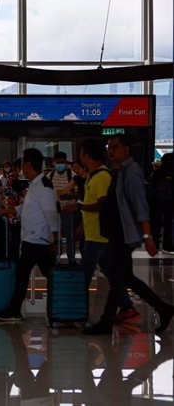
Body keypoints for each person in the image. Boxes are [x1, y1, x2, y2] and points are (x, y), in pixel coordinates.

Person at [83, 134, 174, 335]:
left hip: (124, 235)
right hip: (117, 235)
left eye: (115, 146)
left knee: (117, 279)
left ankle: (106, 322)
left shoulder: (131, 173)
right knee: (126, 278)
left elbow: (141, 206)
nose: (110, 150)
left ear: (126, 149)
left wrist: (147, 237)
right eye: (109, 146)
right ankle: (164, 309)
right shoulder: (119, 171)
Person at [76, 138, 139, 325]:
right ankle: (128, 308)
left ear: (86, 154)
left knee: (85, 276)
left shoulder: (103, 176)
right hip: (94, 234)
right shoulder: (93, 175)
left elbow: (103, 204)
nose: (79, 156)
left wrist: (78, 206)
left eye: (80, 152)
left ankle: (76, 314)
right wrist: (81, 226)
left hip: (99, 236)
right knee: (111, 274)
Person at [0, 148, 58, 322]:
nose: (21, 167)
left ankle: (17, 310)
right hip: (32, 238)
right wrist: (10, 209)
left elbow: (50, 211)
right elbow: (30, 208)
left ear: (28, 164)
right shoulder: (35, 184)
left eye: (22, 163)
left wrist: (54, 236)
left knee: (42, 275)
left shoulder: (44, 185)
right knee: (29, 275)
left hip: (39, 240)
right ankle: (16, 310)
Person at [48, 151, 77, 265]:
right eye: (58, 162)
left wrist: (69, 195)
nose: (60, 164)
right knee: (55, 236)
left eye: (62, 162)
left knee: (70, 235)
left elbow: (78, 193)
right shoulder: (49, 176)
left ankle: (71, 259)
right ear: (54, 162)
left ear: (66, 162)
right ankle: (55, 259)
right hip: (54, 210)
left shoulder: (72, 176)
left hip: (67, 209)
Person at [148, 153, 173, 251]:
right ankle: (168, 245)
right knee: (168, 223)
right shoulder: (172, 172)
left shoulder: (157, 173)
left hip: (158, 201)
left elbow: (152, 187)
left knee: (156, 224)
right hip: (170, 202)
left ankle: (155, 244)